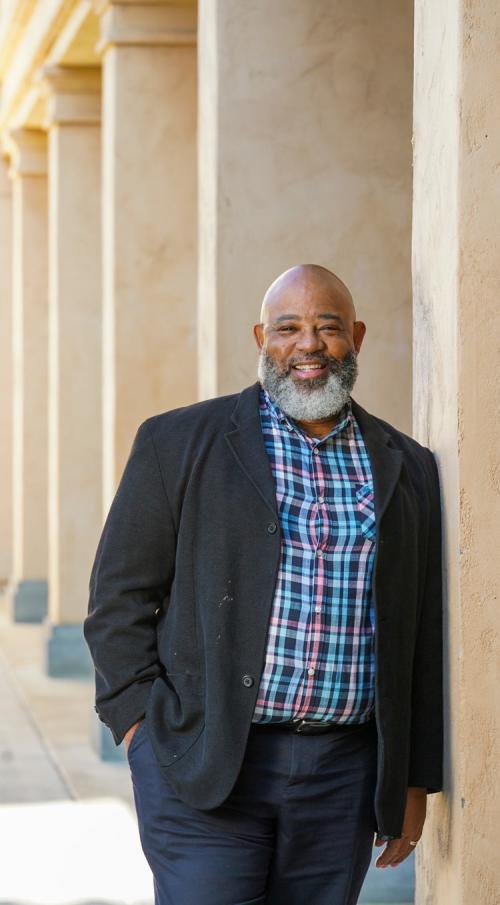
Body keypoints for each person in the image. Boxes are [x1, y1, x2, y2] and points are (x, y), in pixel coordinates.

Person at [84, 264, 444, 905]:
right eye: (288, 328)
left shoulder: (406, 466)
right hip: (205, 764)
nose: (309, 345)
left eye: (327, 327)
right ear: (262, 339)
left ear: (355, 336)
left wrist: (412, 780)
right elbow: (119, 599)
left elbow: (421, 632)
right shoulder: (178, 441)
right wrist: (139, 725)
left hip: (342, 780)